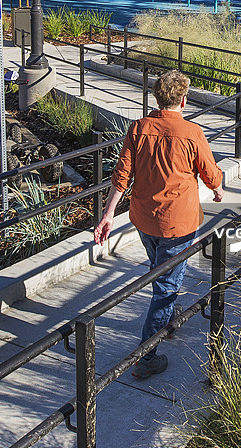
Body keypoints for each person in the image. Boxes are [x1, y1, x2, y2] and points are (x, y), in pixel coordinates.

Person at [94, 70, 223, 380]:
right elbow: (210, 172)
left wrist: (108, 214)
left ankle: (166, 317)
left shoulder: (138, 129)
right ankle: (145, 357)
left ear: (157, 97)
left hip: (143, 219)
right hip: (178, 223)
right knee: (165, 288)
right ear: (184, 99)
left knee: (159, 271)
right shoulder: (192, 133)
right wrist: (217, 188)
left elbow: (121, 177)